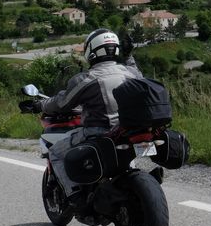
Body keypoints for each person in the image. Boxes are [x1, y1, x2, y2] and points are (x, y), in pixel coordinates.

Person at [33, 28, 143, 201]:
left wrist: (40, 104)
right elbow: (140, 77)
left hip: (98, 132)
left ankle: (74, 194)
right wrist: (129, 56)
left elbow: (61, 103)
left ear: (91, 50)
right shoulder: (130, 73)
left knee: (55, 153)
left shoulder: (86, 78)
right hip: (127, 130)